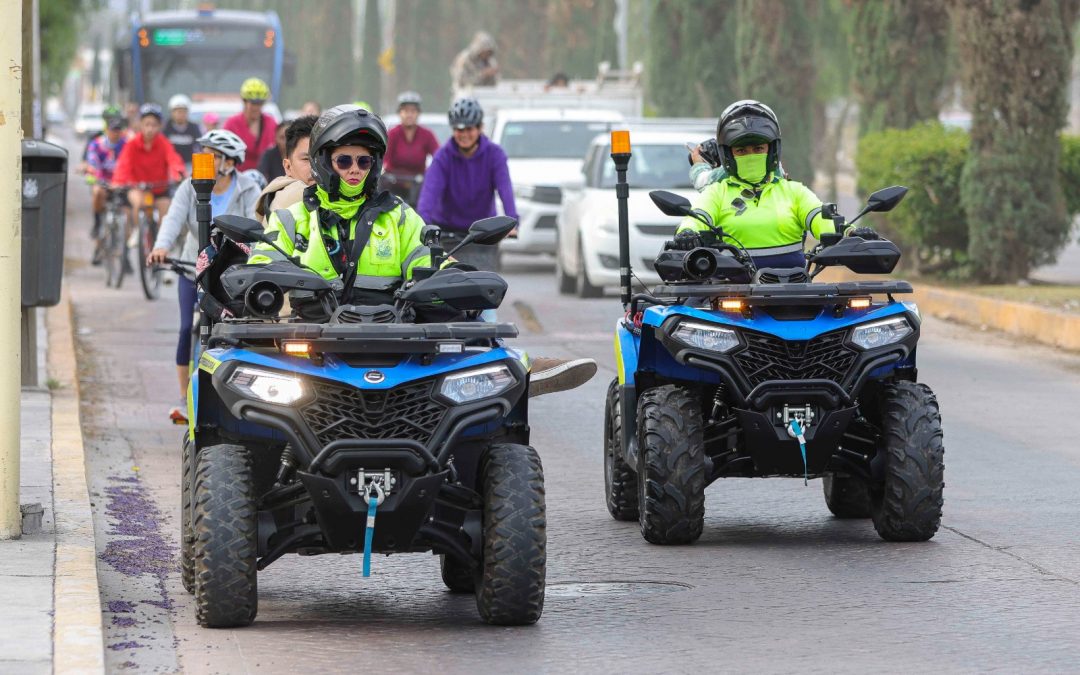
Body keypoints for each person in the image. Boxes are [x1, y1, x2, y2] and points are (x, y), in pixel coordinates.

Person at [251, 105, 595, 396]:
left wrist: (455, 276)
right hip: (312, 347)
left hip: (399, 344)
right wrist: (263, 277)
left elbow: (429, 258)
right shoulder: (291, 218)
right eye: (344, 161)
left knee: (480, 386)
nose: (355, 169)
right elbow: (262, 264)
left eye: (364, 161)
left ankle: (516, 367)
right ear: (324, 162)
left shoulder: (398, 216)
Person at [674, 100, 871, 270]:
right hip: (730, 294)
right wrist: (686, 233)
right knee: (679, 313)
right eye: (741, 150)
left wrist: (850, 233)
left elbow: (822, 218)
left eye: (758, 148)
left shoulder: (794, 192)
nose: (751, 156)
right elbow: (695, 218)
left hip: (794, 294)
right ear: (728, 155)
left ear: (772, 151)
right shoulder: (716, 193)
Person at [147, 129, 261, 423]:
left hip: (229, 275)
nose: (206, 160)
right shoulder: (190, 185)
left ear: (229, 162)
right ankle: (184, 396)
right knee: (188, 328)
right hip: (191, 268)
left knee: (230, 333)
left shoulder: (249, 188)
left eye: (214, 155)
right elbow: (173, 219)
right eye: (204, 153)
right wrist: (161, 246)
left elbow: (257, 227)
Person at [416, 97, 515, 272]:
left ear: (480, 128)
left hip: (484, 233)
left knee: (486, 288)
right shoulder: (443, 157)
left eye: (469, 128)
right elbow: (429, 194)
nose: (464, 134)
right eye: (458, 129)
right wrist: (423, 226)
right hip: (448, 234)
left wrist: (512, 221)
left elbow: (505, 189)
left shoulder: (495, 154)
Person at [111, 103, 185, 268]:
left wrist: (178, 173)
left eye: (154, 125)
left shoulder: (164, 143)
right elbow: (123, 165)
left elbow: (173, 160)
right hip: (138, 187)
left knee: (167, 209)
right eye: (147, 124)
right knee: (139, 202)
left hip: (159, 188)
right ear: (140, 125)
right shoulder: (131, 144)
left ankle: (163, 240)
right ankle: (139, 230)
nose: (150, 129)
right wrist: (118, 181)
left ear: (159, 126)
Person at [254, 114, 317, 223]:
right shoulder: (296, 194)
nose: (315, 167)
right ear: (288, 166)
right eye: (306, 159)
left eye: (321, 157)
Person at [85, 108, 129, 262]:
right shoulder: (96, 144)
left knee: (128, 212)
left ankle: (126, 252)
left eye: (118, 130)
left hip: (121, 184)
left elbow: (130, 164)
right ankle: (97, 222)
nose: (115, 133)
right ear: (107, 130)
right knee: (97, 192)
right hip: (103, 182)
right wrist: (95, 177)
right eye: (112, 130)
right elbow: (92, 164)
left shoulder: (126, 144)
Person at [384, 91, 440, 205]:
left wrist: (430, 173)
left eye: (413, 111)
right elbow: (383, 157)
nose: (409, 115)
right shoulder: (392, 134)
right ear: (399, 113)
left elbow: (439, 157)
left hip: (418, 184)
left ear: (418, 113)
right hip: (394, 184)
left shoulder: (427, 135)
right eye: (405, 111)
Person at [224, 77, 278, 172]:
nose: (256, 107)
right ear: (244, 101)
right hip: (238, 178)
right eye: (253, 103)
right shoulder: (232, 124)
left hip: (265, 178)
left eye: (260, 103)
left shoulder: (271, 123)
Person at [163, 94, 202, 168]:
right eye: (178, 111)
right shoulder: (165, 127)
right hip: (169, 165)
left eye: (183, 111)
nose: (180, 114)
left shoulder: (194, 128)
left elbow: (199, 148)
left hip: (189, 165)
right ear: (172, 112)